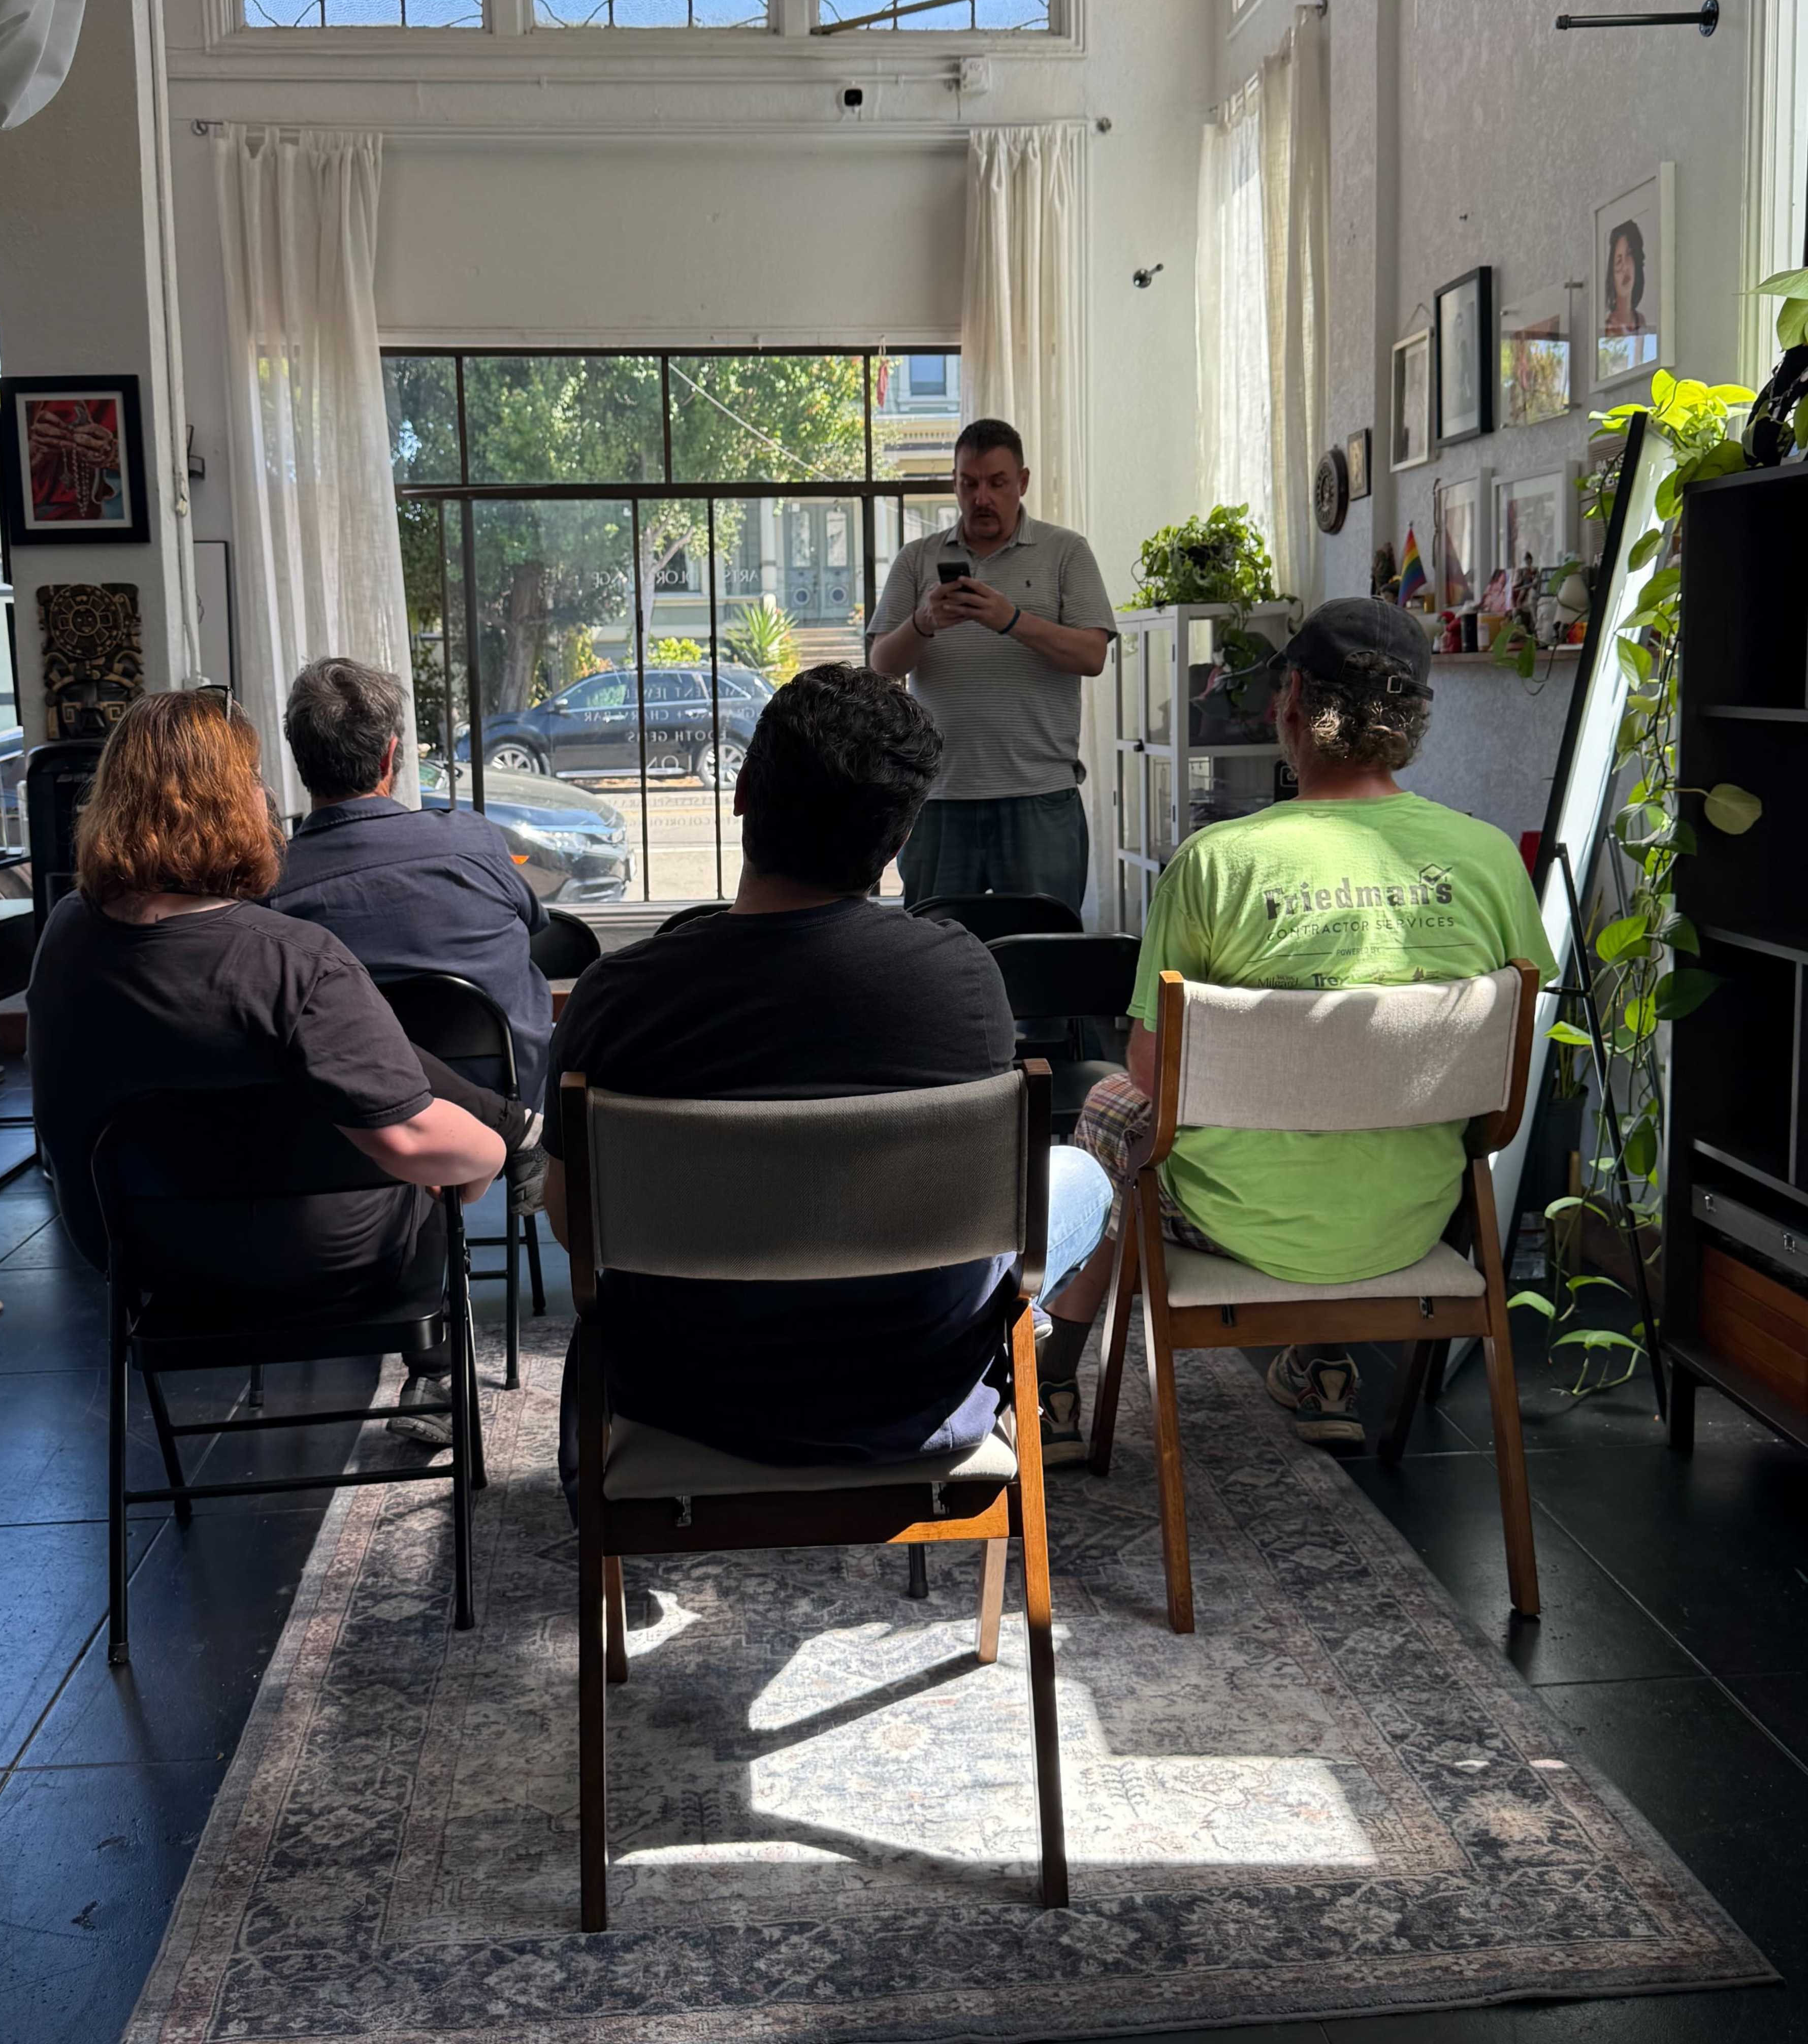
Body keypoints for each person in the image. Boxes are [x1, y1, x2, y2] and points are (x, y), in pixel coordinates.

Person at [541, 663, 1113, 1509]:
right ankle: (1037, 1369)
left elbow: (566, 1213)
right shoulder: (962, 978)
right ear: (898, 836)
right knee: (1085, 1177)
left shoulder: (619, 995)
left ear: (741, 794)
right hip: (914, 1392)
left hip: (684, 1397)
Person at [1035, 600, 1552, 1461]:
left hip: (1234, 1224)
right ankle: (1324, 1366)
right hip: (1414, 1219)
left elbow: (1155, 1072)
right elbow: (1507, 1068)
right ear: (1415, 717)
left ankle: (1053, 1375)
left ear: (1292, 700)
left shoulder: (1216, 864)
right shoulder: (1492, 858)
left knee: (1109, 1105)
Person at [28, 690, 523, 1443]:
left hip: (145, 1264)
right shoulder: (292, 959)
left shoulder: (67, 939)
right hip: (333, 1262)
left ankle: (511, 1126)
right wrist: (490, 1155)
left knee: (367, 1056)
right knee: (429, 1158)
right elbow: (417, 1146)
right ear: (234, 801)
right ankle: (439, 1369)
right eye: (253, 779)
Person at [269, 655, 550, 1181]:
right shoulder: (473, 841)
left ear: (299, 758)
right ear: (391, 757)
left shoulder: (270, 886)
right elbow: (536, 925)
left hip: (346, 1132)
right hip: (503, 1096)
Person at [867, 418, 1116, 912]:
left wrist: (1011, 620)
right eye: (970, 483)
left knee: (1044, 957)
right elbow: (879, 666)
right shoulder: (918, 559)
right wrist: (923, 621)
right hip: (940, 797)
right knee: (934, 958)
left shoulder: (1066, 552)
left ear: (1022, 482)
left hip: (1041, 797)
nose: (983, 497)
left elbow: (1092, 656)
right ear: (955, 483)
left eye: (997, 483)